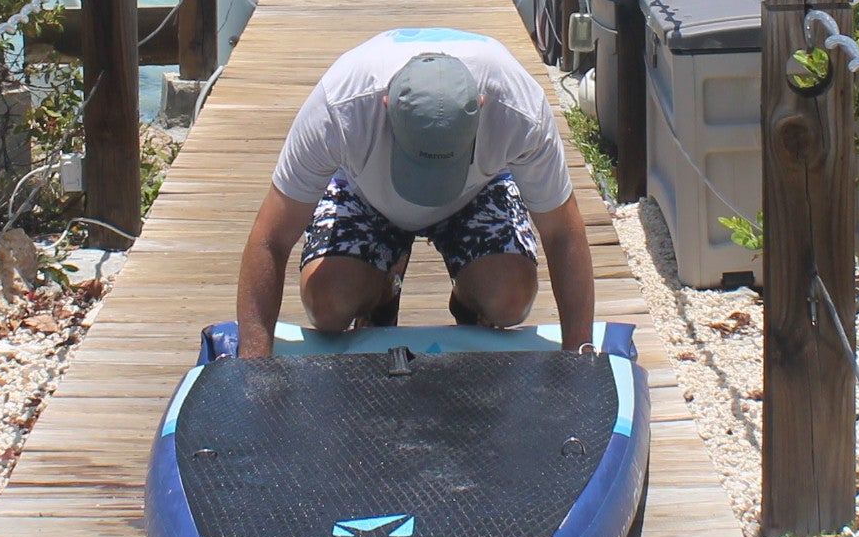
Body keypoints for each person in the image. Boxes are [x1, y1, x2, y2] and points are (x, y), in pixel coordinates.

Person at [233, 28, 597, 357]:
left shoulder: (518, 107)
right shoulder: (340, 107)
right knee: (327, 305)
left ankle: (469, 304)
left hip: (476, 192)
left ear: (481, 108)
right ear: (385, 105)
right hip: (366, 193)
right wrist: (253, 369)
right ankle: (383, 290)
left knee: (510, 299)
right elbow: (271, 238)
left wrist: (580, 358)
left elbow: (563, 232)